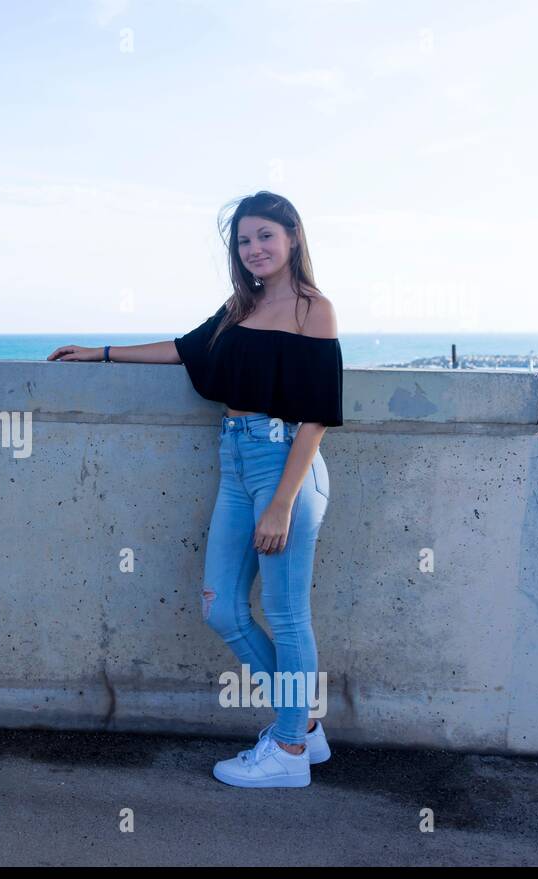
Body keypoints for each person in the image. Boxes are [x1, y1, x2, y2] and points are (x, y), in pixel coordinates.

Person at [47, 191, 342, 788]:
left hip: (286, 467)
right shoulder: (241, 306)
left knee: (287, 617)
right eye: (243, 240)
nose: (254, 248)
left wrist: (282, 502)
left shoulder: (313, 308)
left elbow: (317, 414)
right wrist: (100, 353)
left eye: (265, 235)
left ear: (292, 237)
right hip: (234, 461)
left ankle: (287, 751)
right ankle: (303, 726)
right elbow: (183, 350)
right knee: (221, 608)